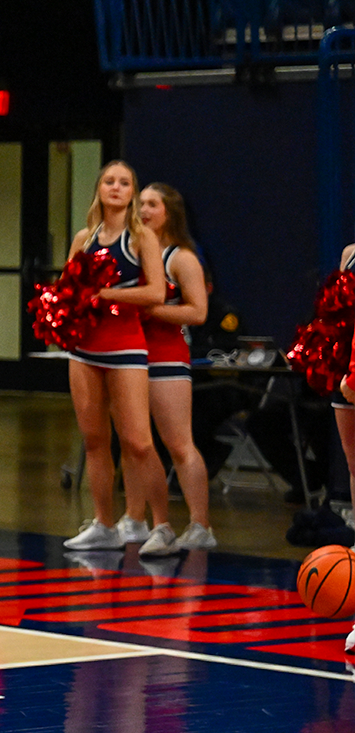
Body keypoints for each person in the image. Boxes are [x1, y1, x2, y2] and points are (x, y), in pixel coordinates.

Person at [58, 160, 172, 554]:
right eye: (109, 181)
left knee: (138, 441)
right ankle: (104, 524)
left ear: (132, 192)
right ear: (99, 188)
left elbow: (156, 292)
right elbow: (67, 288)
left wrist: (106, 295)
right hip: (84, 349)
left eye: (125, 182)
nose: (116, 188)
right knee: (94, 440)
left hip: (125, 346)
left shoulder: (142, 238)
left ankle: (163, 526)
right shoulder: (84, 238)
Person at [137, 181, 215, 551]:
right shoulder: (134, 254)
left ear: (170, 213)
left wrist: (150, 309)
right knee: (140, 445)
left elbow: (198, 312)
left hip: (167, 358)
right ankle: (158, 524)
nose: (144, 211)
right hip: (131, 358)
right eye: (141, 204)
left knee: (179, 444)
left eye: (152, 204)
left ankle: (201, 525)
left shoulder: (180, 257)